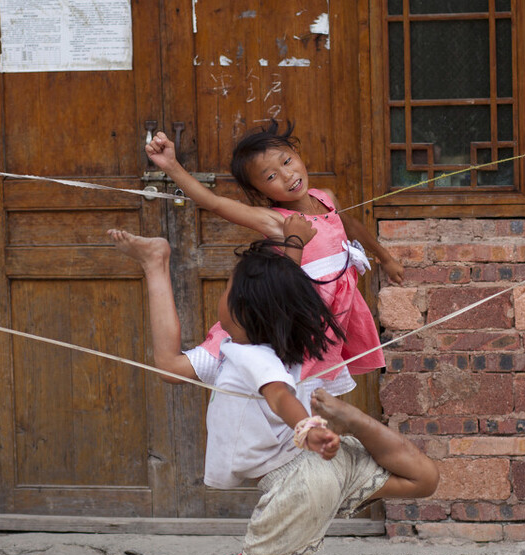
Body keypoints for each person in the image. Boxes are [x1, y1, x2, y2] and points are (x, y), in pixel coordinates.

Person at [109, 227, 439, 555]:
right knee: (422, 481)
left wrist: (306, 427)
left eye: (226, 292)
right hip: (320, 466)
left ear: (243, 312)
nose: (220, 299)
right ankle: (354, 423)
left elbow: (278, 396)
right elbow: (168, 362)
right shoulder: (260, 349)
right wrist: (154, 265)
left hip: (299, 477)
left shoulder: (248, 356)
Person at [146, 120, 404, 402]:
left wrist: (385, 258)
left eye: (287, 161)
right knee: (175, 371)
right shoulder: (275, 221)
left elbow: (349, 225)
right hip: (271, 326)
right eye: (270, 177)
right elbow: (214, 203)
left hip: (315, 326)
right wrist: (171, 166)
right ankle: (155, 263)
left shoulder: (325, 198)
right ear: (261, 192)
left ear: (296, 152)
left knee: (309, 397)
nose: (287, 175)